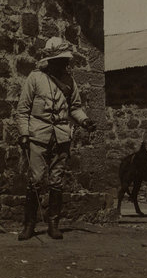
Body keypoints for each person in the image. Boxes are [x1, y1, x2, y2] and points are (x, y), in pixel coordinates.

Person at [16, 37, 96, 241]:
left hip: (61, 136)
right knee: (35, 180)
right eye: (61, 60)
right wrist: (24, 134)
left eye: (65, 60)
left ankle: (53, 224)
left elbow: (75, 108)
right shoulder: (35, 78)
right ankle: (29, 225)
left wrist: (85, 121)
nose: (65, 63)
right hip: (38, 135)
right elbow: (23, 110)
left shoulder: (69, 81)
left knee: (57, 181)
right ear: (50, 59)